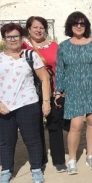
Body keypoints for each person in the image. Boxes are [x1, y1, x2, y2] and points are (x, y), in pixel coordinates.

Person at [0, 23, 52, 183]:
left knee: (33, 139)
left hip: (27, 103)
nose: (13, 40)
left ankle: (36, 169)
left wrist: (46, 102)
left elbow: (44, 79)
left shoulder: (31, 56)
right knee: (7, 141)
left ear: (22, 38)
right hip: (4, 107)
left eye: (16, 36)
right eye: (9, 37)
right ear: (4, 39)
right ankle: (6, 171)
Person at [55, 11, 92, 174]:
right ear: (70, 26)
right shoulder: (63, 46)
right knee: (76, 124)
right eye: (75, 23)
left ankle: (91, 154)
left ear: (86, 26)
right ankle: (72, 159)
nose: (79, 26)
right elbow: (60, 70)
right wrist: (59, 91)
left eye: (82, 23)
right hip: (73, 88)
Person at [22, 16, 67, 172]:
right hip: (30, 91)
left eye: (41, 27)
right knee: (35, 126)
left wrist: (61, 89)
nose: (38, 30)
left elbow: (61, 68)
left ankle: (59, 160)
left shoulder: (54, 46)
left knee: (55, 124)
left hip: (53, 89)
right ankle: (39, 159)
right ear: (28, 29)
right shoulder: (22, 46)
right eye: (35, 27)